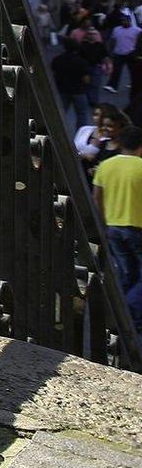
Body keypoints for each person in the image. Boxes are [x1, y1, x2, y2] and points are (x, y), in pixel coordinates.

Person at [94, 123, 142, 333]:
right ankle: (130, 312)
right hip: (137, 227)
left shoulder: (106, 165)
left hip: (113, 227)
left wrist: (103, 223)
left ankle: (117, 315)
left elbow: (97, 198)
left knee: (126, 274)